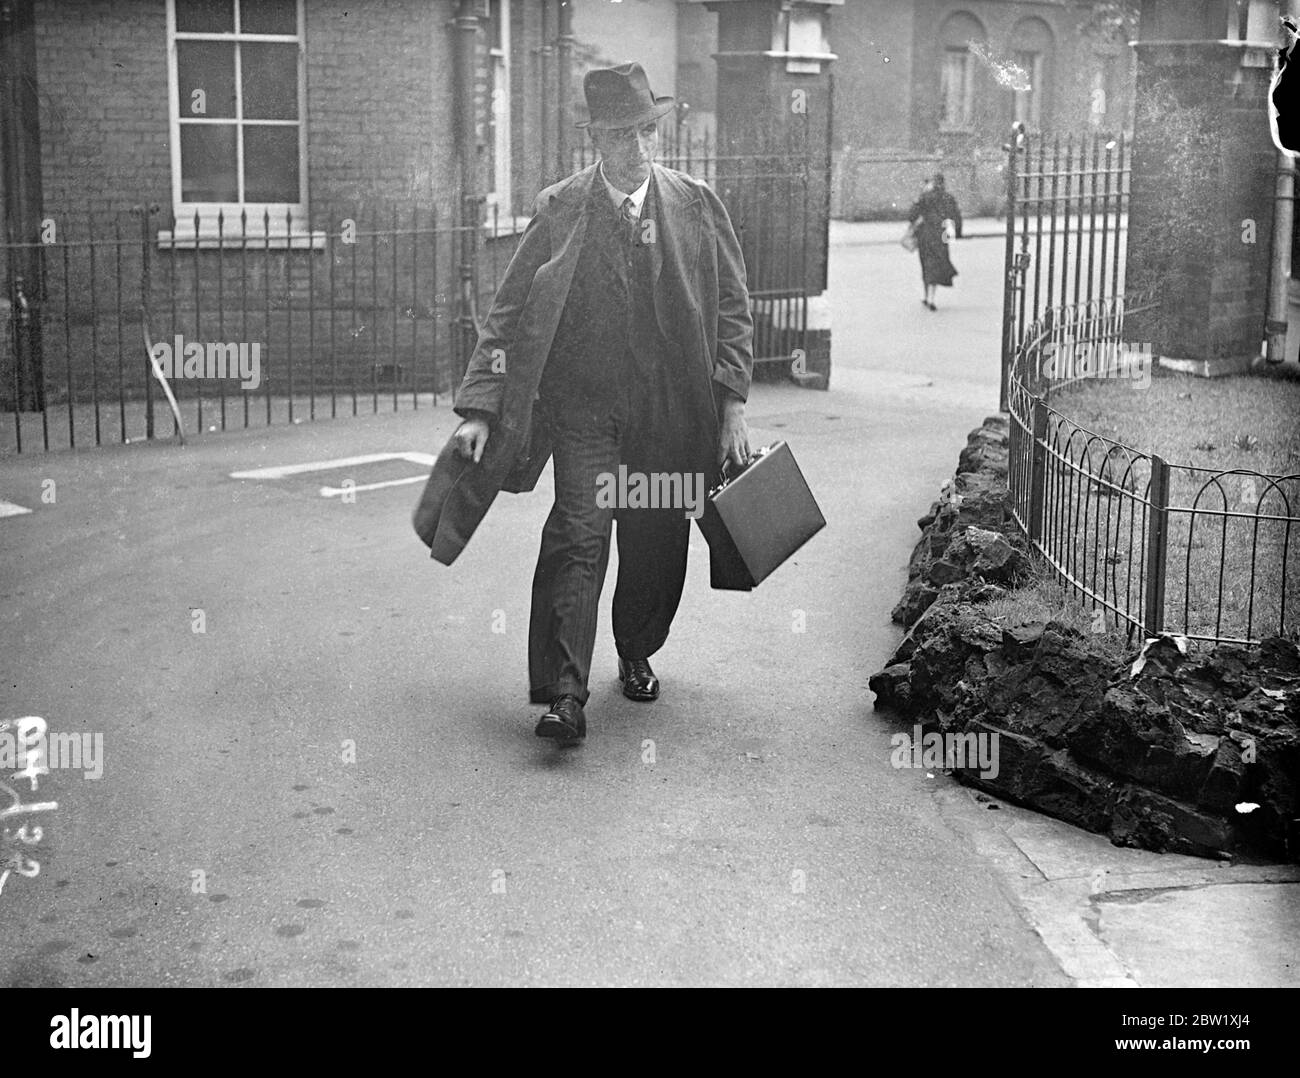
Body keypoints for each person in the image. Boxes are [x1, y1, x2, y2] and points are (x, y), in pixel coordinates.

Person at [439, 62, 754, 745]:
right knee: (579, 534)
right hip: (585, 410)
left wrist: (732, 403)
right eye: (620, 136)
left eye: (645, 131)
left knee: (653, 539)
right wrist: (479, 408)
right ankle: (564, 693)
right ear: (597, 142)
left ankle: (635, 647)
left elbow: (732, 307)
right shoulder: (562, 210)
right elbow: (509, 311)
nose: (637, 149)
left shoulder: (695, 204)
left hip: (668, 410)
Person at [908, 172, 963, 310]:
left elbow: (912, 215)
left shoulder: (925, 197)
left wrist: (919, 198)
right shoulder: (948, 198)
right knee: (936, 266)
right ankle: (931, 298)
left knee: (926, 265)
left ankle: (927, 296)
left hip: (925, 236)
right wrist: (953, 235)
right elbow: (954, 217)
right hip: (941, 236)